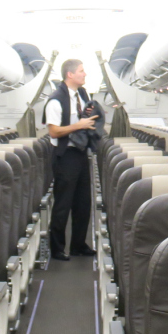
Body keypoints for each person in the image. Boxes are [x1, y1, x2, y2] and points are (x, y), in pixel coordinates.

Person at [44, 58, 101, 261]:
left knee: (83, 202)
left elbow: (83, 115)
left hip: (80, 153)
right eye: (81, 71)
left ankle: (78, 244)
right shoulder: (56, 100)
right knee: (63, 203)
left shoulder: (82, 94)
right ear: (70, 74)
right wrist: (79, 125)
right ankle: (57, 248)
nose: (84, 74)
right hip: (65, 155)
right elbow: (53, 131)